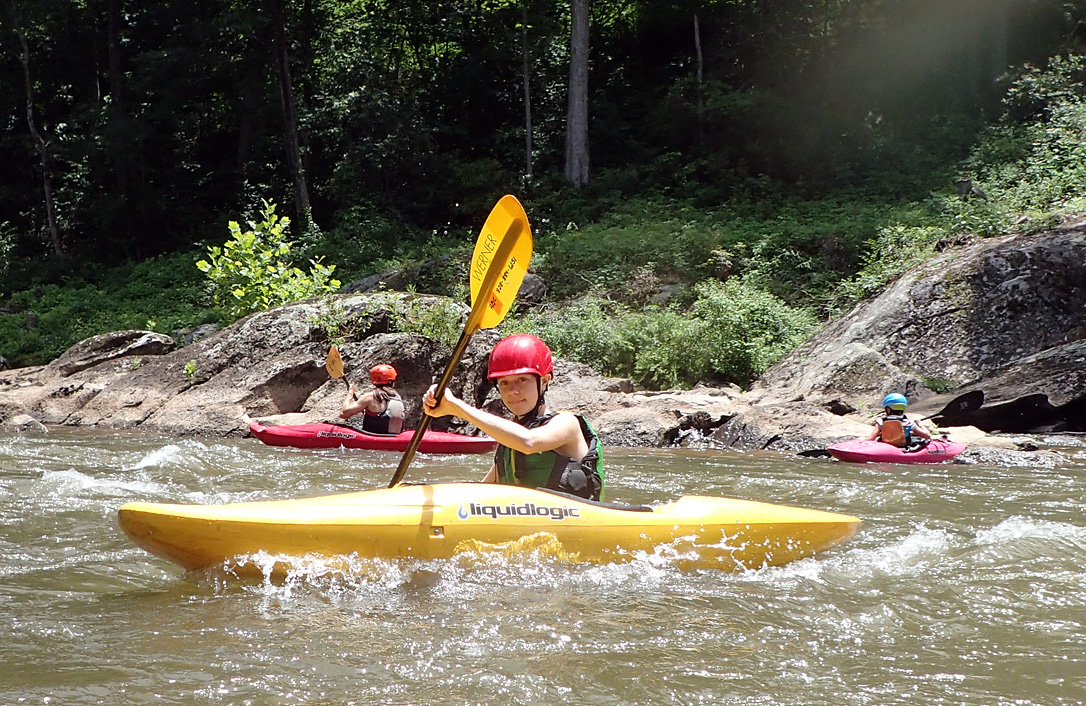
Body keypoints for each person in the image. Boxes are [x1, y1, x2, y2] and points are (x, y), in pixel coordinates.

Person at [421, 333, 605, 501]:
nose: (513, 391)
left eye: (522, 380)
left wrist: (456, 407)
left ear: (544, 381)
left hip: (575, 525)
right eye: (504, 383)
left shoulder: (567, 423)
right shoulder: (510, 437)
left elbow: (529, 442)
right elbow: (484, 488)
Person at [341, 364, 405, 434]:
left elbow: (344, 414)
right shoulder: (397, 397)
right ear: (391, 381)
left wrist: (350, 392)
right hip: (393, 439)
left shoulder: (370, 396)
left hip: (374, 438)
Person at [868, 392, 932, 448]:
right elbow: (927, 436)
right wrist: (920, 424)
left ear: (888, 409)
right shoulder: (908, 422)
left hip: (886, 447)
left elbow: (870, 439)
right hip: (903, 448)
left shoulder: (880, 422)